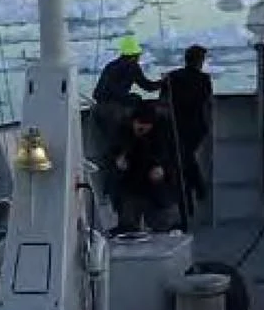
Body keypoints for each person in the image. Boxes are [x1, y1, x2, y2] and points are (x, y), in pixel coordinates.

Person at [161, 44, 215, 222]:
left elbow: (163, 100)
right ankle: (196, 192)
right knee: (185, 159)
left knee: (182, 161)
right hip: (196, 127)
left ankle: (191, 199)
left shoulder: (172, 77)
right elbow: (206, 101)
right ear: (199, 61)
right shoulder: (204, 79)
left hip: (176, 126)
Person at [109, 105, 179, 236]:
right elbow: (114, 152)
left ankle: (165, 224)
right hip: (131, 181)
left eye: (147, 124)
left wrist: (162, 168)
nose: (142, 127)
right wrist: (119, 160)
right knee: (128, 219)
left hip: (154, 183)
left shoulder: (161, 134)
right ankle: (128, 224)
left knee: (163, 220)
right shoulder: (124, 131)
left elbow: (171, 158)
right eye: (139, 123)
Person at [90, 36, 157, 164]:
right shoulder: (132, 66)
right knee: (124, 139)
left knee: (108, 142)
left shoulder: (110, 65)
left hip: (99, 110)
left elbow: (98, 92)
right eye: (138, 55)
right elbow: (147, 86)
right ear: (133, 55)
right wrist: (164, 82)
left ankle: (108, 164)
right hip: (114, 111)